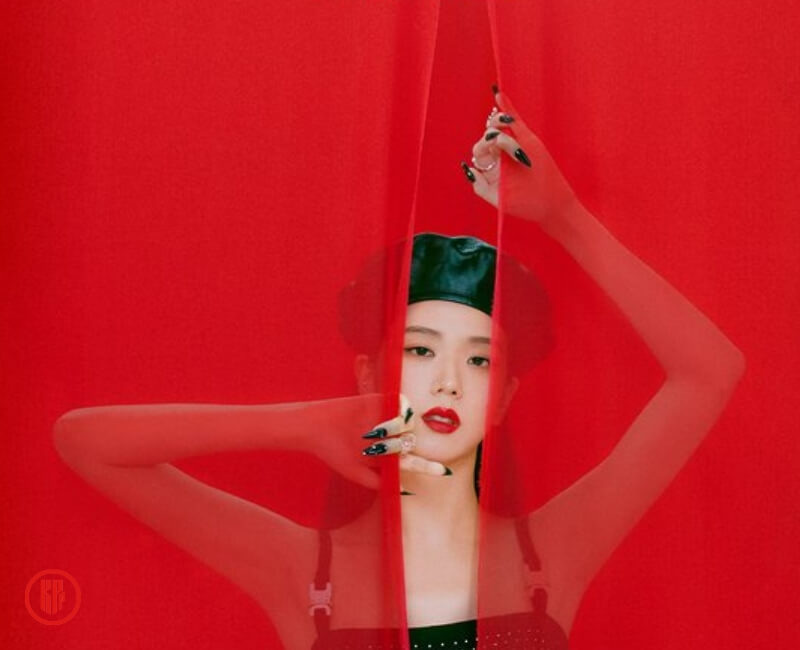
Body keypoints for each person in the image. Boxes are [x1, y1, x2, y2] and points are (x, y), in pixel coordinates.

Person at [52, 87, 745, 649]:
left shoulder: (551, 553)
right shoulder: (303, 570)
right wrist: (303, 425)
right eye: (420, 350)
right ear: (366, 373)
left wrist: (564, 216)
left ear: (504, 396)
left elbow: (710, 371)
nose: (447, 380)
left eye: (478, 359)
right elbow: (83, 441)